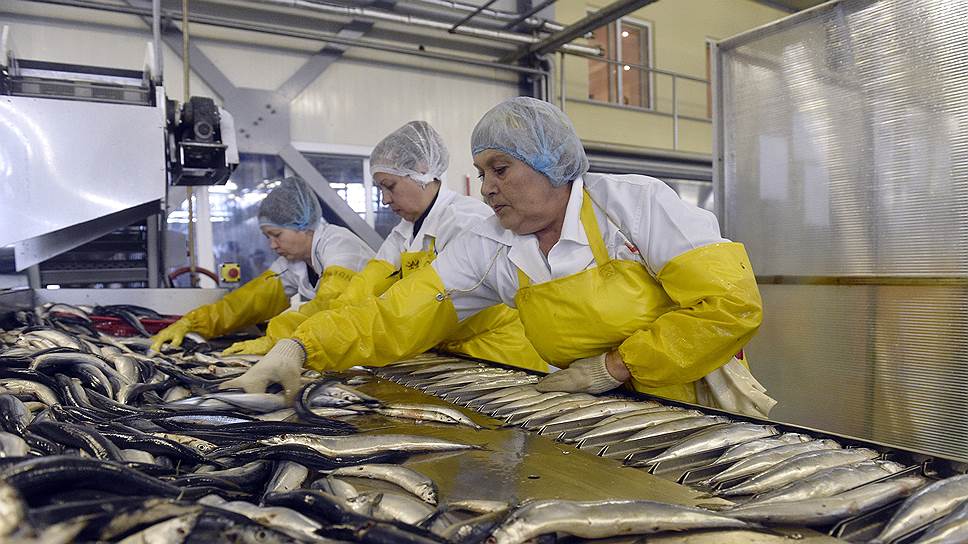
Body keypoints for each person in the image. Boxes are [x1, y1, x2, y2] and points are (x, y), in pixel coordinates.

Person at [223, 97, 774, 417]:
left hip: (692, 402)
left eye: (500, 169)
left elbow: (728, 306)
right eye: (481, 172)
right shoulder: (492, 245)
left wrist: (615, 367)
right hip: (592, 407)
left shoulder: (632, 206)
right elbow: (397, 314)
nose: (486, 188)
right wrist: (301, 345)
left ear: (551, 163)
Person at [221, 121, 547, 372]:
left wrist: (306, 343)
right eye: (380, 189)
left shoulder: (467, 222)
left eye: (389, 186)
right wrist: (285, 337)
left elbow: (413, 311)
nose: (385, 199)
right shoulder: (402, 234)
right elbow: (357, 296)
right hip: (448, 357)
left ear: (422, 171)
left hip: (501, 362)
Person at [149, 177, 374, 352]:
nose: (272, 245)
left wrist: (275, 339)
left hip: (378, 345)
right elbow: (247, 302)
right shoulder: (293, 262)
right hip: (351, 343)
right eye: (267, 236)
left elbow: (330, 304)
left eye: (276, 234)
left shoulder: (340, 245)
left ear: (304, 225)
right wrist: (192, 322)